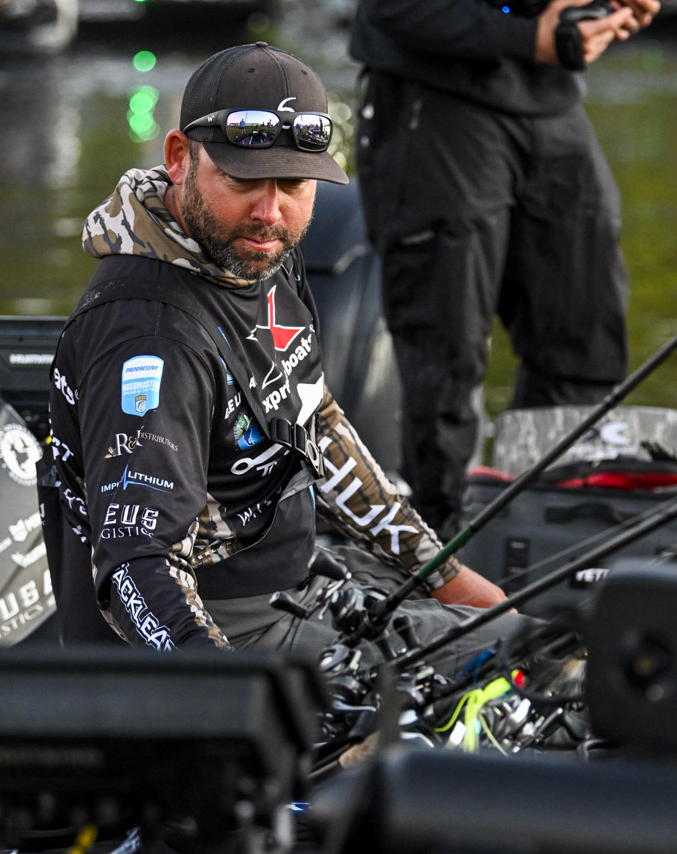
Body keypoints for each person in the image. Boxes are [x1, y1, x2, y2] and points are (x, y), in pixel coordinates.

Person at [39, 41, 529, 678]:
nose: (270, 213)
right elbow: (138, 567)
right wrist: (238, 698)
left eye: (293, 184)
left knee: (537, 645)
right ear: (180, 158)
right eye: (243, 181)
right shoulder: (151, 337)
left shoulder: (254, 255)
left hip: (297, 589)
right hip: (220, 645)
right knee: (506, 671)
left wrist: (445, 576)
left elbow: (315, 422)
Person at [349, 0, 660, 538]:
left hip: (550, 98)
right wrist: (526, 35)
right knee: (446, 352)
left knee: (584, 338)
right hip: (436, 95)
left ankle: (547, 530)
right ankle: (440, 549)